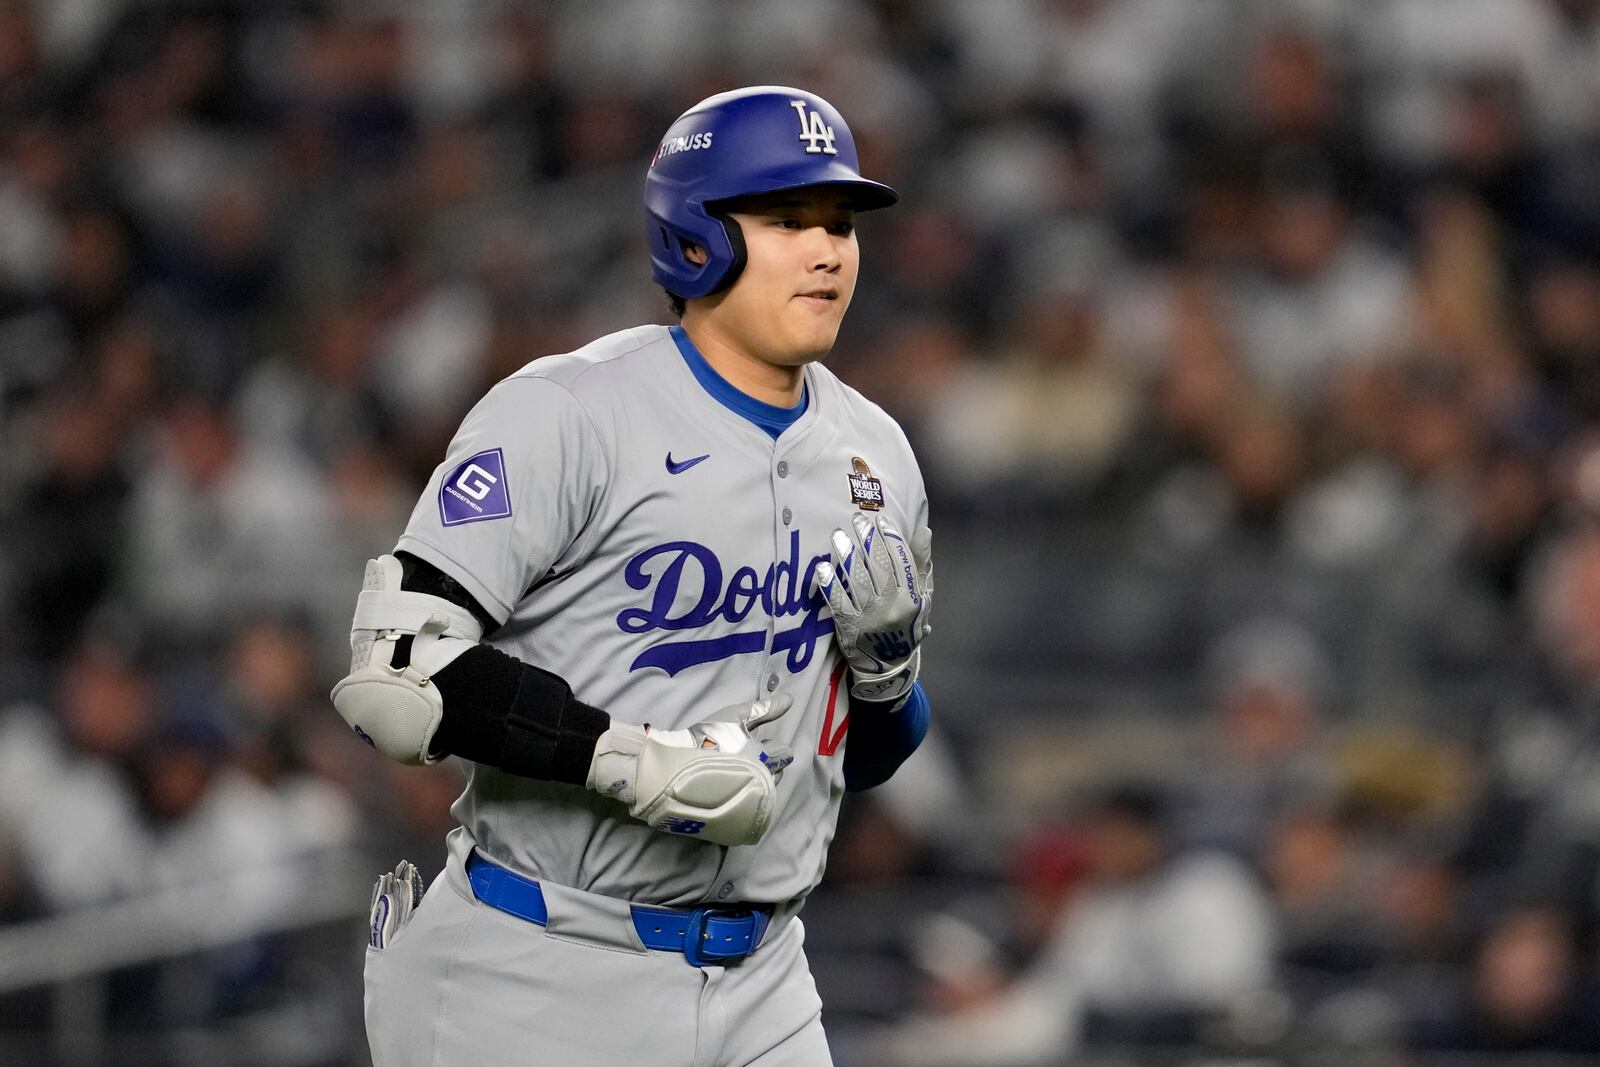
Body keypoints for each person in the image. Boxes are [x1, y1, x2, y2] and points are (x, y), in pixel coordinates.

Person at [333, 85, 935, 1067]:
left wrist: (888, 674)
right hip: (538, 965)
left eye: (841, 223)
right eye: (788, 220)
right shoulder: (570, 413)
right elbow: (397, 675)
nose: (829, 249)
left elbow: (867, 759)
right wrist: (635, 763)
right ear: (697, 238)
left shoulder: (878, 455)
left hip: (767, 975)